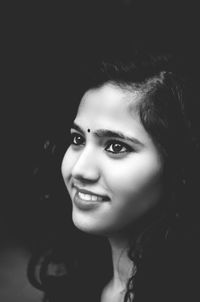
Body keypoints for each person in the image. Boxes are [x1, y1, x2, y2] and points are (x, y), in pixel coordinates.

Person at [28, 47, 200, 302]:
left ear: (180, 164)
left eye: (116, 146)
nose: (79, 170)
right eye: (77, 139)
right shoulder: (75, 287)